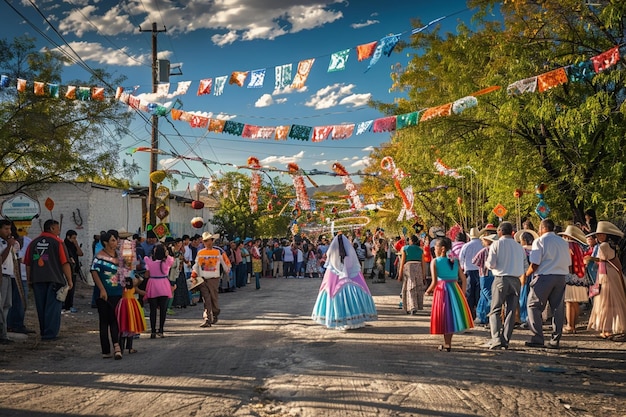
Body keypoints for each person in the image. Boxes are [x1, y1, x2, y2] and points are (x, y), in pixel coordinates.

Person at [311, 233, 378, 330]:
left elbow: (330, 265)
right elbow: (352, 267)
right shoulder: (349, 254)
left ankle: (338, 319)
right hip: (350, 280)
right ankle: (354, 319)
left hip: (335, 280)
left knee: (333, 295)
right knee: (351, 299)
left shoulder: (333, 253)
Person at [522, 219, 571, 349]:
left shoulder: (540, 241)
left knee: (533, 306)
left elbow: (535, 263)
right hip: (560, 276)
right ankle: (555, 339)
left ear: (543, 228)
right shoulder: (563, 242)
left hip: (544, 276)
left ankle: (537, 337)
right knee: (557, 309)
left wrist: (526, 274)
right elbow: (568, 262)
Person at [24, 219, 73, 342]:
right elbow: (65, 263)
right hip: (54, 279)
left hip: (37, 279)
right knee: (53, 307)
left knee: (41, 307)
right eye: (57, 228)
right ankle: (50, 334)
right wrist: (69, 280)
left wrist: (30, 279)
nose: (59, 230)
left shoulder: (33, 243)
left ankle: (44, 331)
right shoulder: (58, 242)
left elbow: (28, 264)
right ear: (51, 228)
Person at [484, 222, 528, 350]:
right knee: (510, 311)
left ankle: (496, 338)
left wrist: (487, 264)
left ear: (500, 231)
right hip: (515, 280)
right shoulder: (519, 247)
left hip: (501, 279)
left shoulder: (496, 244)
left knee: (495, 310)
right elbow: (525, 266)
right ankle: (506, 339)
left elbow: (491, 264)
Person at [425, 237, 474, 351]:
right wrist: (462, 292)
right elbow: (464, 279)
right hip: (455, 289)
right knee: (451, 317)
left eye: (436, 247)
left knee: (443, 316)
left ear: (442, 249)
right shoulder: (455, 261)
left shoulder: (435, 261)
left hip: (442, 290)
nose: (434, 249)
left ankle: (447, 344)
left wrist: (427, 291)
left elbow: (434, 282)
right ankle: (448, 343)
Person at [585, 221, 626, 340]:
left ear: (605, 235)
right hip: (610, 274)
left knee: (605, 301)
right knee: (611, 302)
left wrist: (590, 258)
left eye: (600, 234)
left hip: (606, 274)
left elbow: (601, 260)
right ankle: (608, 328)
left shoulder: (603, 246)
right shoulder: (610, 245)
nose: (598, 237)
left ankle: (606, 329)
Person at [90, 230, 123, 359]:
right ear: (106, 242)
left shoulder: (119, 256)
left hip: (118, 292)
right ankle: (108, 349)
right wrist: (102, 289)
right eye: (113, 240)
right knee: (105, 321)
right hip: (104, 293)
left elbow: (124, 272)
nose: (116, 242)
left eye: (116, 240)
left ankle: (116, 346)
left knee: (115, 319)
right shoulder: (99, 256)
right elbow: (94, 272)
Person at [190, 232, 231, 328]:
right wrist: (194, 273)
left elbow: (224, 262)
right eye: (205, 241)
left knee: (213, 297)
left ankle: (215, 312)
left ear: (212, 241)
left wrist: (227, 270)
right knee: (206, 298)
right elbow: (196, 264)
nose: (207, 242)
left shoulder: (217, 252)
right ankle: (207, 318)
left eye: (208, 240)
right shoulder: (200, 253)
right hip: (203, 279)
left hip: (214, 279)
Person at [558, 225, 589, 333]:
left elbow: (568, 261)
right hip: (580, 276)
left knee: (569, 302)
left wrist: (568, 272)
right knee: (575, 301)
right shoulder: (579, 246)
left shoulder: (568, 245)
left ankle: (570, 326)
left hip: (570, 276)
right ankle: (574, 324)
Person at [7, 222, 34, 335]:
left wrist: (27, 260)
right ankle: (9, 324)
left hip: (22, 276)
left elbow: (39, 256)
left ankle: (17, 324)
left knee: (21, 302)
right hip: (8, 275)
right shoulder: (5, 242)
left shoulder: (28, 242)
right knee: (8, 302)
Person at [144, 244, 174, 338]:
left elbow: (146, 273)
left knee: (153, 310)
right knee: (163, 310)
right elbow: (170, 258)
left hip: (153, 284)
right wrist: (166, 251)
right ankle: (161, 330)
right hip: (164, 284)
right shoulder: (167, 262)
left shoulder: (150, 262)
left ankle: (153, 331)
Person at [116, 272, 146, 355]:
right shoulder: (133, 287)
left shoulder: (122, 288)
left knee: (123, 326)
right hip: (132, 306)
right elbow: (140, 282)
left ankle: (121, 349)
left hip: (123, 306)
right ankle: (130, 348)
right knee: (131, 326)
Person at [514, 229, 538, 329]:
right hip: (534, 275)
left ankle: (524, 318)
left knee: (523, 297)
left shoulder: (521, 250)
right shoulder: (534, 249)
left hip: (523, 275)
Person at [397, 235, 427, 314]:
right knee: (418, 287)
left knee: (409, 287)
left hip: (409, 267)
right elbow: (423, 263)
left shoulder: (405, 248)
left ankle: (411, 306)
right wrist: (424, 275)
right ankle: (417, 305)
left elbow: (402, 262)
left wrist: (400, 274)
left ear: (410, 240)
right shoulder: (420, 250)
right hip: (418, 267)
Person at [458, 227, 484, 320]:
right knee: (479, 292)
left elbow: (461, 258)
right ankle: (478, 313)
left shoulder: (466, 246)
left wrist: (462, 268)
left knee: (469, 293)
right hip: (479, 270)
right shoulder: (482, 245)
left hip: (469, 270)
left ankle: (469, 314)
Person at [471, 234, 497, 325]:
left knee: (486, 294)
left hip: (484, 274)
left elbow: (475, 261)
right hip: (495, 274)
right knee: (484, 295)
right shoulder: (497, 250)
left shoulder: (484, 250)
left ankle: (487, 315)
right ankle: (481, 316)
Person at [0, 219, 17, 344]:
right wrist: (9, 245)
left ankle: (4, 333)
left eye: (9, 229)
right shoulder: (3, 244)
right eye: (5, 229)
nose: (8, 231)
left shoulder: (6, 242)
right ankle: (2, 334)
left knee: (7, 305)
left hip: (8, 276)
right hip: (2, 276)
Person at [63, 230, 84, 314]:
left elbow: (80, 253)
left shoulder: (73, 245)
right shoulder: (64, 245)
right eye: (73, 238)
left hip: (74, 269)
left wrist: (76, 244)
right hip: (68, 269)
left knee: (72, 289)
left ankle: (69, 304)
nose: (75, 239)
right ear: (68, 237)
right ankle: (65, 305)